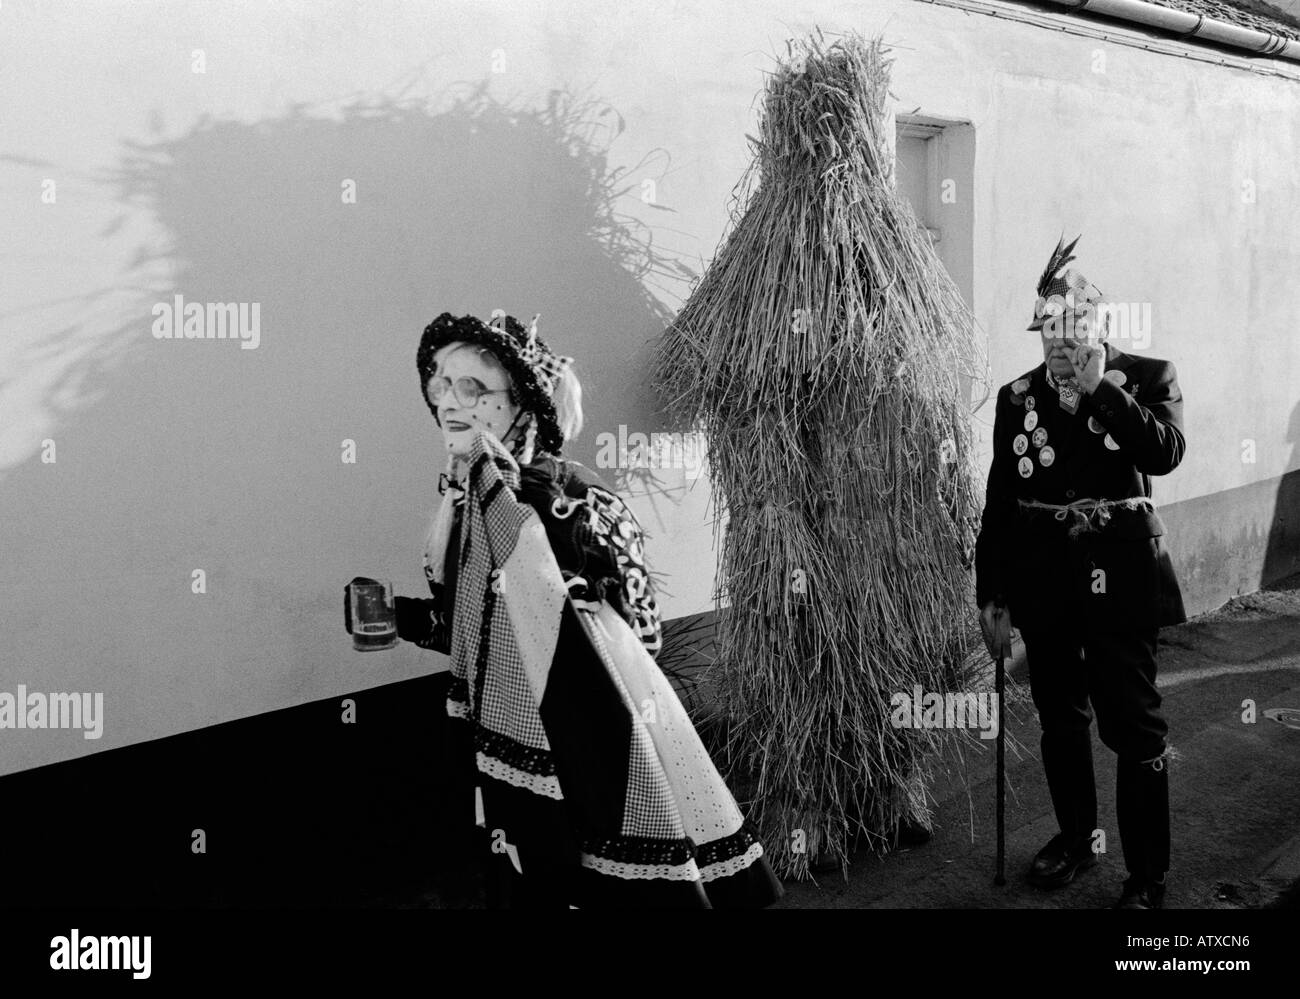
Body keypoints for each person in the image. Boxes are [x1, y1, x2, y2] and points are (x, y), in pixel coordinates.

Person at [349, 309, 783, 909]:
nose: (448, 402)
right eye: (438, 386)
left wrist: (573, 653)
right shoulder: (470, 501)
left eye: (471, 388)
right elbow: (476, 631)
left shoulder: (564, 500)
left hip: (586, 733)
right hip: (506, 728)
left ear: (522, 403)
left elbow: (640, 629)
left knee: (600, 876)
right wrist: (397, 619)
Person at [975, 236, 1187, 909]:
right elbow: (1000, 505)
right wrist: (992, 595)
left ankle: (1147, 875)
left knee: (1133, 722)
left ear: (1100, 329)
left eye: (1071, 332)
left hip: (1121, 579)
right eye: (1048, 332)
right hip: (1046, 582)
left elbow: (1166, 452)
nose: (1057, 347)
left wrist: (1099, 390)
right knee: (1061, 716)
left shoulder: (1148, 378)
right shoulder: (1018, 399)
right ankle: (1075, 838)